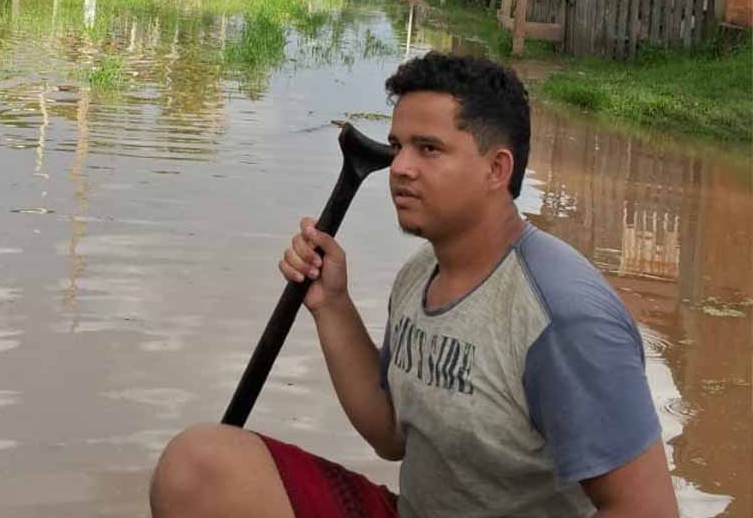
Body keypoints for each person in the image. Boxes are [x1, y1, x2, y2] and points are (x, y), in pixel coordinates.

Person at [149, 53, 679, 518]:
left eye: (428, 149)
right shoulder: (420, 276)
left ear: (497, 169)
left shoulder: (562, 317)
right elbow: (390, 434)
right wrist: (331, 303)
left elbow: (645, 509)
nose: (399, 167)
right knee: (197, 469)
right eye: (398, 145)